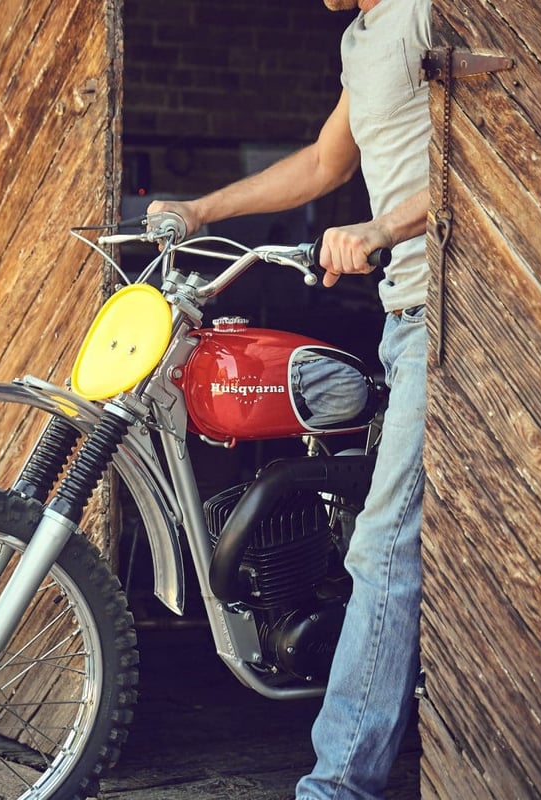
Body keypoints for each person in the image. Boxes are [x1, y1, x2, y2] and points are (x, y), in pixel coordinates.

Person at [148, 0, 432, 796]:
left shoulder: (426, 13)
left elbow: (485, 157)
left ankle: (338, 785)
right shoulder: (363, 37)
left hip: (452, 315)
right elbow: (321, 164)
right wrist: (201, 210)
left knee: (383, 542)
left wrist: (376, 232)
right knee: (370, 530)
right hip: (401, 316)